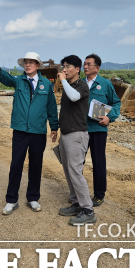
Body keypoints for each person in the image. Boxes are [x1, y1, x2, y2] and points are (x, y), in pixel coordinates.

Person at [0, 52, 59, 215]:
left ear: (38, 65)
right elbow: (7, 79)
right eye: (26, 62)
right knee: (16, 165)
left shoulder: (46, 84)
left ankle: (33, 197)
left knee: (36, 164)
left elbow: (51, 106)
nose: (28, 65)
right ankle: (11, 200)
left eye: (31, 62)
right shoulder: (19, 81)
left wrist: (54, 126)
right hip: (20, 131)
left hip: (38, 132)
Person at [56, 55, 95, 225]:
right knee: (68, 170)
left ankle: (88, 210)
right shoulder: (70, 85)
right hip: (66, 133)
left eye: (68, 66)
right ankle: (76, 203)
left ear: (77, 69)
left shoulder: (82, 85)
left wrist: (63, 81)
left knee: (76, 171)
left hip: (77, 135)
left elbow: (73, 97)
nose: (64, 69)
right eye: (63, 66)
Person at [82, 54, 121, 207]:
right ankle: (78, 193)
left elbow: (116, 103)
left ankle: (99, 194)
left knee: (98, 162)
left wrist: (109, 118)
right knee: (78, 162)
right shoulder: (78, 84)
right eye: (84, 64)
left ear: (97, 67)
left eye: (88, 64)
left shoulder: (105, 84)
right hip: (81, 129)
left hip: (98, 129)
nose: (85, 67)